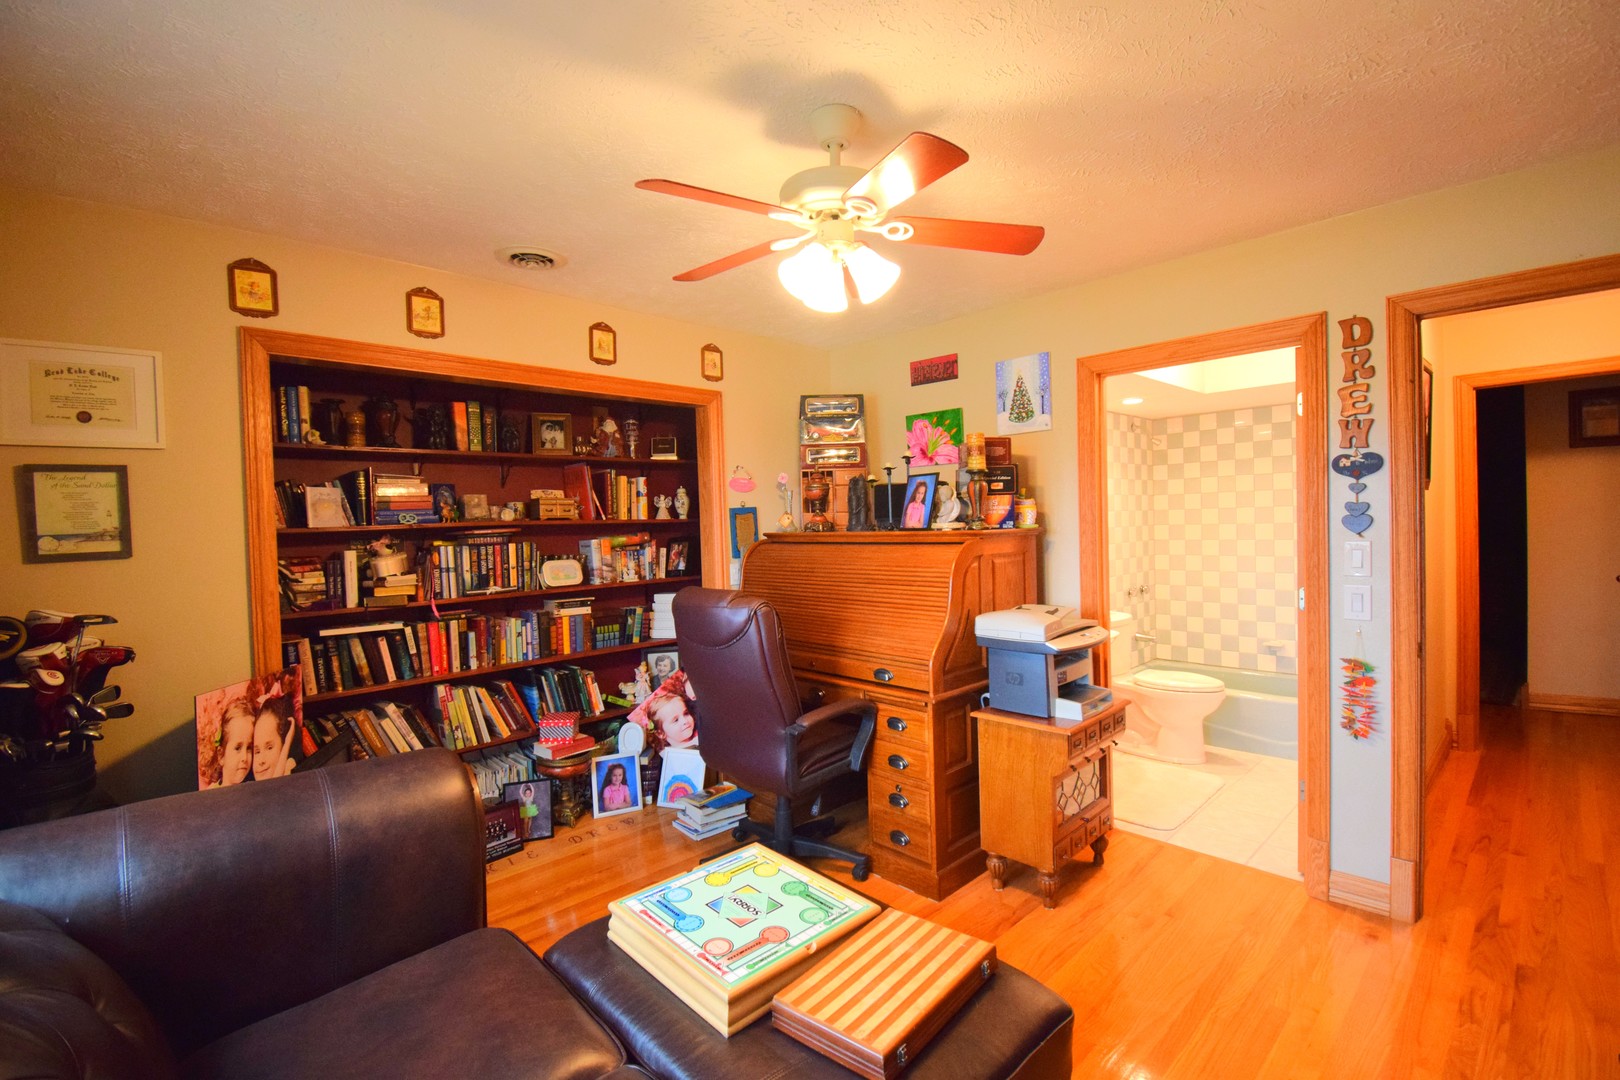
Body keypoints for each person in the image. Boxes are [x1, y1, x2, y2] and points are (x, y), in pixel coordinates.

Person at [251, 695, 297, 782]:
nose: (261, 761)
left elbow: (275, 786)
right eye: (257, 752)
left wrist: (287, 744)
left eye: (269, 748)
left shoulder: (289, 767)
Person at [214, 698, 256, 787]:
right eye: (237, 748)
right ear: (221, 755)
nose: (244, 757)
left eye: (249, 748)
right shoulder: (209, 794)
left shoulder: (252, 788)